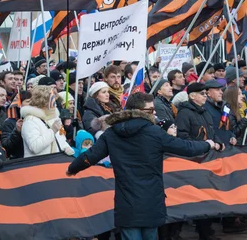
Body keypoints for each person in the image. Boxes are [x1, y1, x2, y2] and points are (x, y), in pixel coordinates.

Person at [66, 92, 214, 240]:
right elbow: (186, 148)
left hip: (126, 201)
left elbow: (90, 156)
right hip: (151, 199)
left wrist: (71, 169)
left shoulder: (111, 133)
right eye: (150, 110)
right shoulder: (154, 132)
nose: (154, 113)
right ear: (138, 111)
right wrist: (208, 144)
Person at [21, 86, 73, 157]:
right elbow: (35, 147)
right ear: (43, 102)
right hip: (38, 164)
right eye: (52, 100)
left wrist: (66, 147)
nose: (55, 104)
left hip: (54, 162)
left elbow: (61, 137)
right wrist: (52, 131)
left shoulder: (53, 118)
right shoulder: (30, 120)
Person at [176, 83, 225, 148]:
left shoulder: (205, 112)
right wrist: (202, 146)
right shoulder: (184, 113)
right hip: (196, 154)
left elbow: (212, 132)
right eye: (202, 93)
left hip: (208, 151)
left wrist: (218, 142)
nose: (205, 96)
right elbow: (182, 135)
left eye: (206, 93)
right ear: (192, 96)